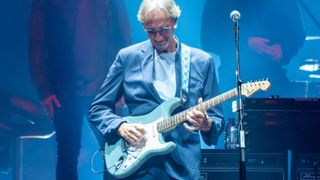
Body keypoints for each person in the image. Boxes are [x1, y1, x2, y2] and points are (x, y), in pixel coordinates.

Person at [89, 0, 224, 179]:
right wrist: (120, 126)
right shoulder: (128, 58)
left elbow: (217, 119)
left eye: (164, 29)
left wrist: (207, 124)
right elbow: (98, 109)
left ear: (174, 21)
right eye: (151, 32)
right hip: (137, 167)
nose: (158, 37)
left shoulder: (201, 62)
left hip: (181, 167)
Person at [28, 0, 131, 179]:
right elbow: (36, 42)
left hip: (105, 87)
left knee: (114, 151)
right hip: (65, 89)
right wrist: (44, 90)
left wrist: (123, 83)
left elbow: (123, 38)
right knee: (68, 155)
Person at [201, 0, 306, 98]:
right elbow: (207, 39)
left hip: (273, 76)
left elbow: (298, 34)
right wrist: (246, 42)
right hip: (234, 78)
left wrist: (283, 49)